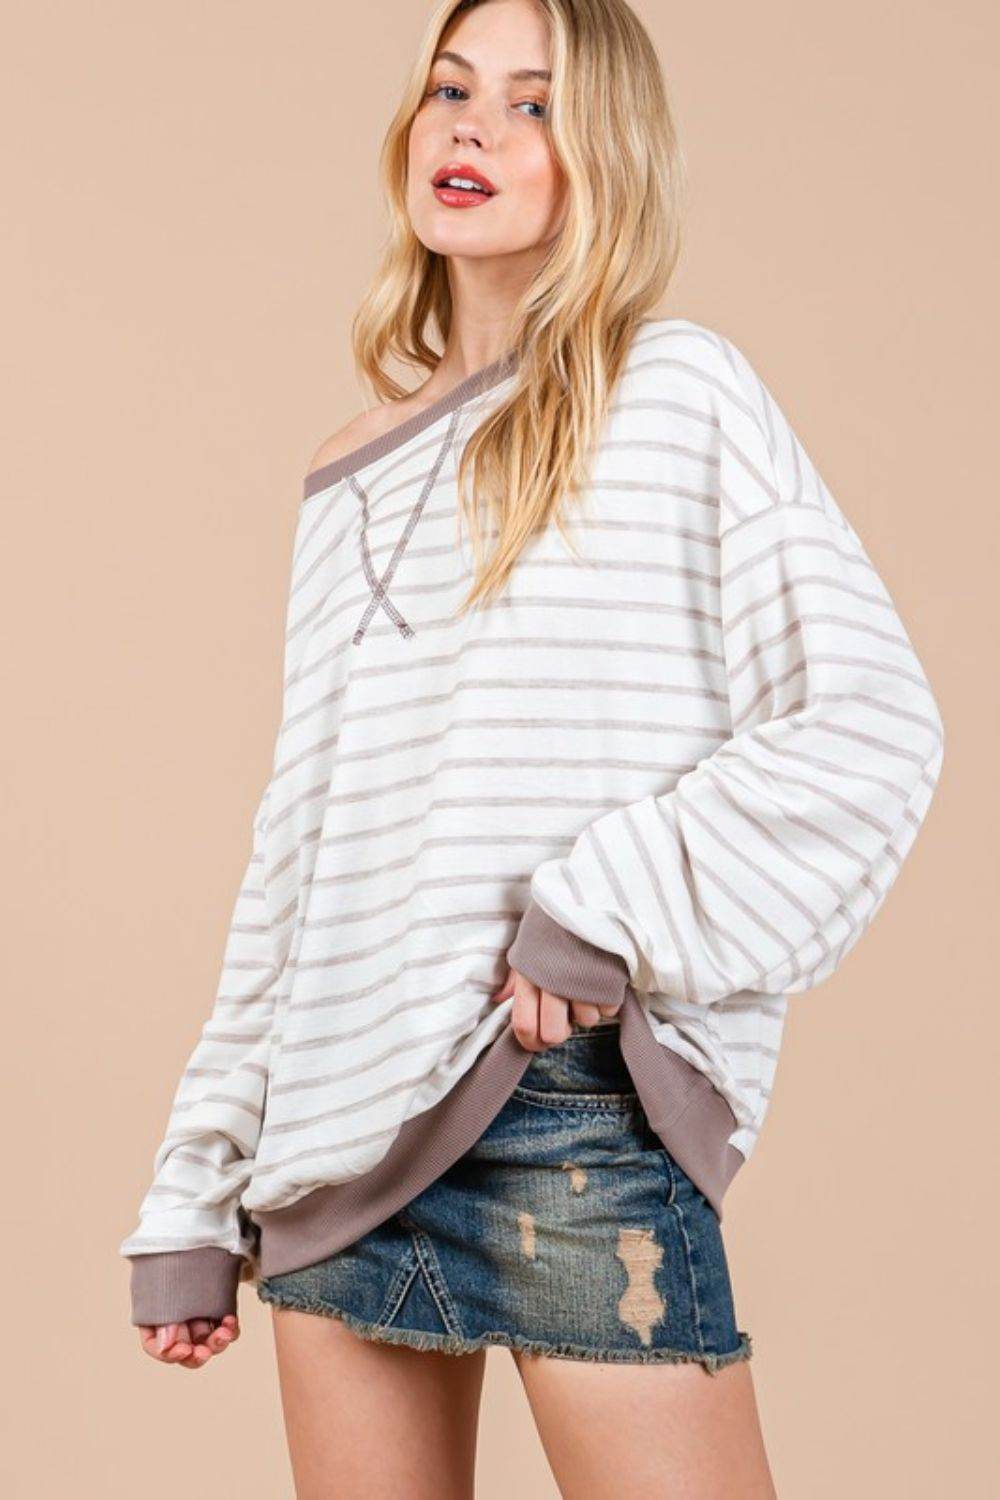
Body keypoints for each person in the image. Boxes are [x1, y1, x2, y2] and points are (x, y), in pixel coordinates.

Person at [119, 0, 944, 1494]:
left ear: (604, 153)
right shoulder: (345, 472)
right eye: (452, 88)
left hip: (568, 1110)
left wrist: (600, 909)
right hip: (331, 1143)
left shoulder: (674, 391)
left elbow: (869, 721)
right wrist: (195, 1184)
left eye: (534, 103)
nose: (475, 127)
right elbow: (300, 855)